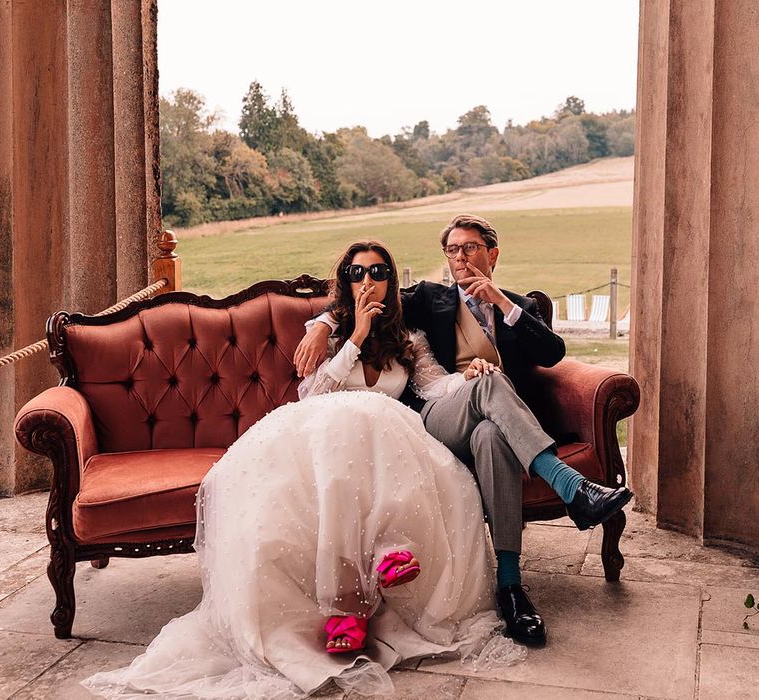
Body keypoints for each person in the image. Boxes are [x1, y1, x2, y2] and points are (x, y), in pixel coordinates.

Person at [82, 241, 525, 700]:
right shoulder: (328, 336)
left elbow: (434, 387)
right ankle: (353, 592)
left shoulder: (408, 340)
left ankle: (383, 566)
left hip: (385, 435)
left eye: (377, 273)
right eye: (356, 273)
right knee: (338, 461)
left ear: (391, 281)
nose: (367, 281)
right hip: (325, 429)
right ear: (345, 281)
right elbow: (317, 393)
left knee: (397, 446)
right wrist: (354, 335)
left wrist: (469, 374)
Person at [295, 214, 634, 647]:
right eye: (452, 250)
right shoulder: (429, 299)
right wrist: (325, 323)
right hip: (438, 419)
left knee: (491, 435)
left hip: (501, 424)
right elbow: (363, 291)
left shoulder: (520, 307)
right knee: (488, 383)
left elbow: (554, 352)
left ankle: (510, 587)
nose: (460, 257)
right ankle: (572, 486)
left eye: (470, 248)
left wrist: (502, 305)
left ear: (492, 254)